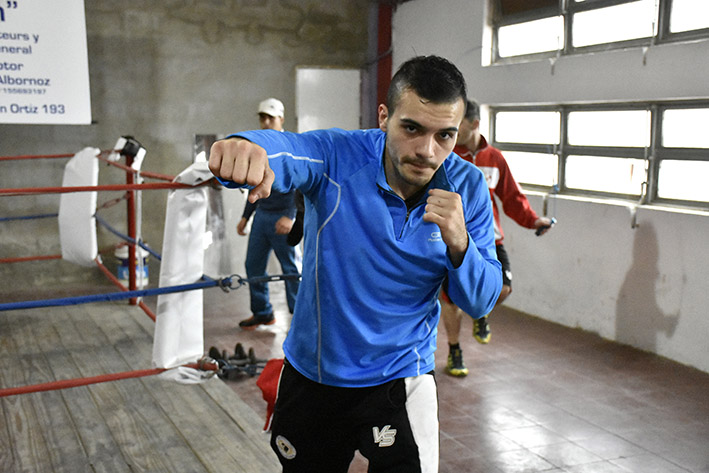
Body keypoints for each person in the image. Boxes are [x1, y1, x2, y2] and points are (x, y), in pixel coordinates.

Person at [209, 56, 502, 472]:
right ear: (384, 116)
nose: (426, 150)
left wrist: (461, 243)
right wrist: (247, 147)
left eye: (445, 136)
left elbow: (482, 300)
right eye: (412, 128)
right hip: (315, 375)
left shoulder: (467, 186)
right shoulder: (338, 156)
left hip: (402, 376)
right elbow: (289, 150)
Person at [441, 99, 554, 377]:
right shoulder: (446, 158)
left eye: (458, 125)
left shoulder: (495, 159)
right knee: (451, 300)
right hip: (453, 241)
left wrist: (533, 220)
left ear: (475, 124)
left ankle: (480, 311)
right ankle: (455, 351)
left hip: (489, 239)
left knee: (502, 288)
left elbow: (512, 198)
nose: (451, 131)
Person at [235, 98, 300, 330]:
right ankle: (263, 313)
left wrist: (291, 216)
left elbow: (301, 183)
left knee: (291, 269)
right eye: (262, 118)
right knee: (253, 265)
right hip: (262, 215)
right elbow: (255, 184)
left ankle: (299, 317)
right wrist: (246, 216)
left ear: (280, 119)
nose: (265, 122)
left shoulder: (291, 146)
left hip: (283, 215)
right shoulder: (258, 147)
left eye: (270, 118)